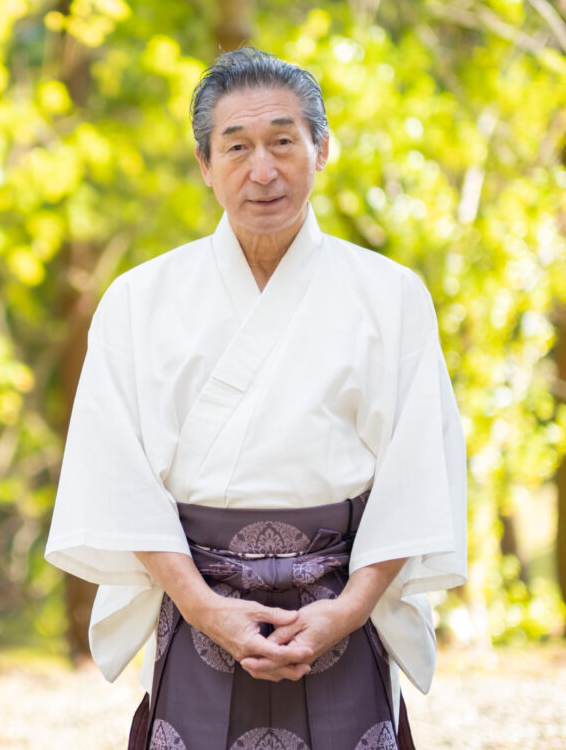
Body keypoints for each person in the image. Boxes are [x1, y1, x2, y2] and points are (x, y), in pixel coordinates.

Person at [45, 47, 466, 750]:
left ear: (322, 148)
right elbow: (115, 473)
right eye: (236, 147)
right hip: (196, 602)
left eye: (282, 141)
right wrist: (202, 606)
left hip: (341, 607)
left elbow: (418, 472)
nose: (262, 170)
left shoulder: (392, 296)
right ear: (205, 165)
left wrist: (349, 609)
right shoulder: (137, 302)